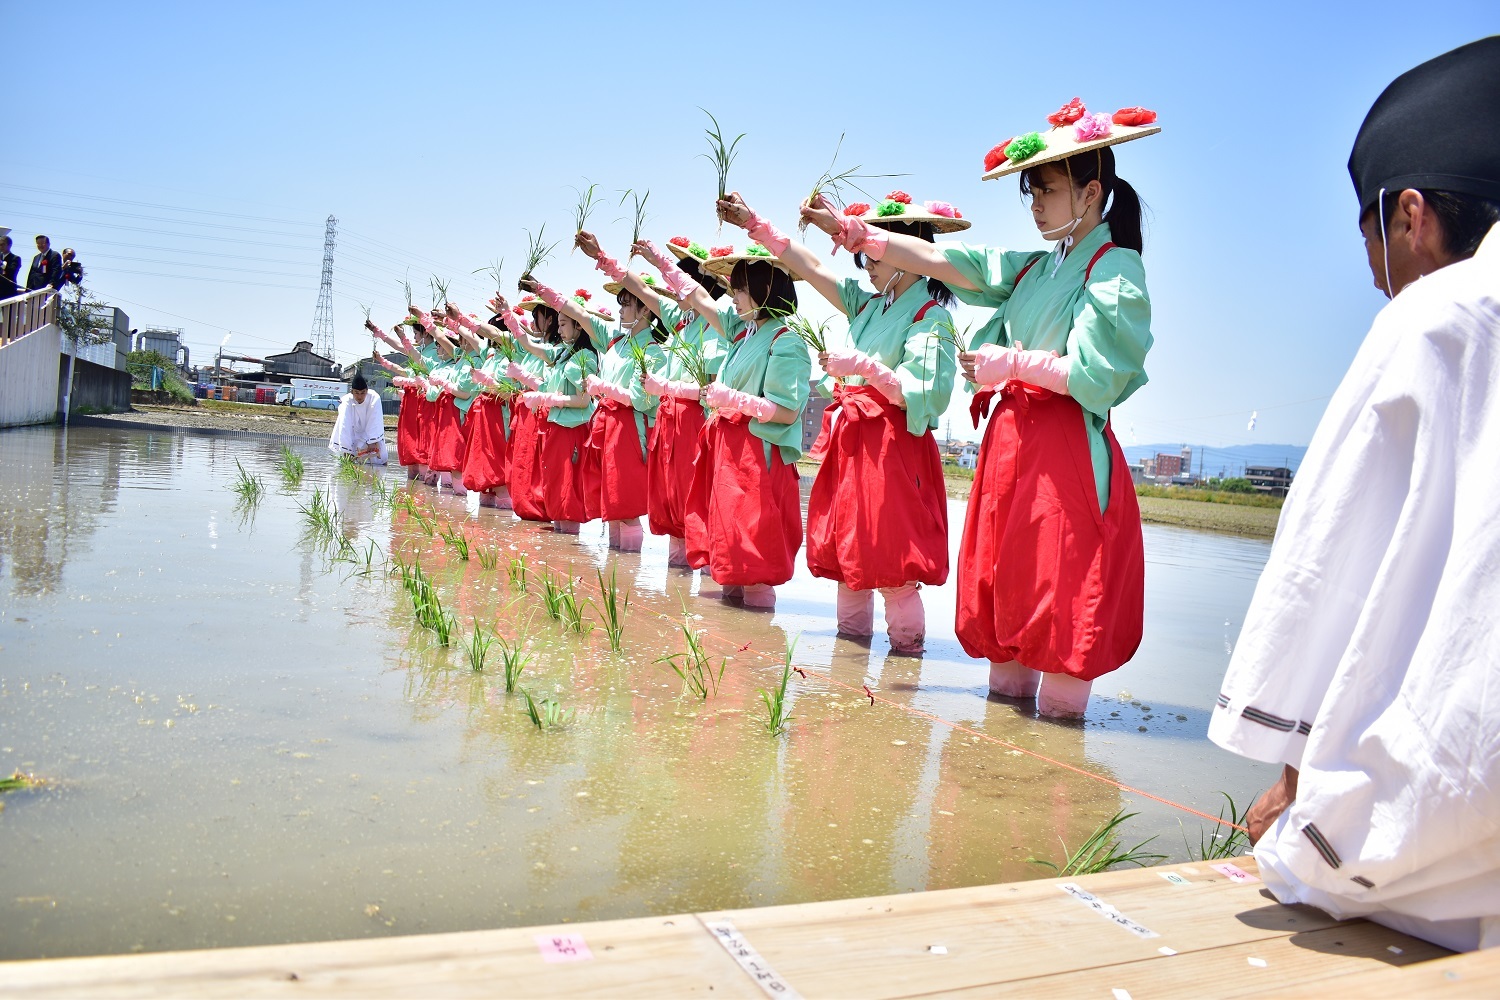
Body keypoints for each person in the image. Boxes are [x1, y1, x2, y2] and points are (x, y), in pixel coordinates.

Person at [1210, 36, 1500, 954]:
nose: (1374, 275)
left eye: (1371, 239)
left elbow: (1325, 576)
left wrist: (1297, 786)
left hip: (1452, 848)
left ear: (1411, 214)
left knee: (1331, 861)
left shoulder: (1439, 312)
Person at [802, 99, 1157, 717]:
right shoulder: (1038, 268)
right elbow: (952, 263)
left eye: (1045, 190)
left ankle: (1059, 753)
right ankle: (1002, 759)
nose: (1037, 204)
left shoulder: (1114, 268)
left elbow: (1100, 376)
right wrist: (858, 235)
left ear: (1090, 191)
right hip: (1011, 446)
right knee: (1009, 589)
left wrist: (1014, 365)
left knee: (1065, 595)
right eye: (1033, 193)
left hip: (1065, 447)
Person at [719, 190, 960, 654]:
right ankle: (848, 669)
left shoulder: (933, 319)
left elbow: (925, 395)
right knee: (849, 559)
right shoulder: (869, 306)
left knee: (892, 563)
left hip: (891, 447)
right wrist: (755, 224)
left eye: (876, 251)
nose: (866, 264)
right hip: (850, 442)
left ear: (912, 253)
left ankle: (907, 658)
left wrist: (868, 369)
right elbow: (812, 268)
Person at [684, 243, 812, 609]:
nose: (733, 297)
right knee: (729, 550)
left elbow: (786, 411)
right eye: (734, 288)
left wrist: (732, 398)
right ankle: (730, 640)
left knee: (754, 551)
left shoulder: (786, 341)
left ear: (765, 291)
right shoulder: (745, 336)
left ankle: (759, 647)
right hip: (730, 453)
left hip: (758, 457)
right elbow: (698, 298)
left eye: (740, 289)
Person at [521, 265, 665, 552]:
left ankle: (630, 568)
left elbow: (642, 400)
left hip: (630, 429)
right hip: (607, 426)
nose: (621, 311)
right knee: (611, 501)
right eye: (621, 305)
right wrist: (543, 292)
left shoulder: (653, 352)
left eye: (627, 305)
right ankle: (615, 567)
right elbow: (583, 316)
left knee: (627, 501)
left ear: (646, 311)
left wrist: (605, 388)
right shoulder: (614, 341)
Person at [327, 372, 389, 464]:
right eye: (357, 393)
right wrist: (346, 449)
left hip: (370, 435)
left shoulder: (374, 398)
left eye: (362, 393)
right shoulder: (347, 401)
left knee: (379, 462)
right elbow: (345, 424)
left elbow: (375, 419)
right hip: (353, 435)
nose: (360, 396)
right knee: (348, 462)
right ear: (352, 392)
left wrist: (372, 440)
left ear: (367, 391)